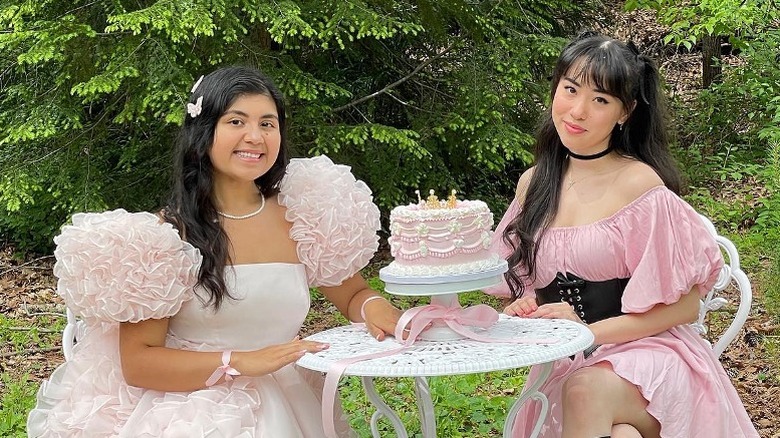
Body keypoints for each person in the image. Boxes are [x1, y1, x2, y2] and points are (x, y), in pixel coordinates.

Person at [27, 66, 401, 437]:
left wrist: (373, 307)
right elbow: (139, 362)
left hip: (287, 398)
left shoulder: (304, 215)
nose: (255, 137)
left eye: (267, 124)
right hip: (194, 409)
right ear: (204, 132)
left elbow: (352, 293)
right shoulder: (163, 238)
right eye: (236, 122)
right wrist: (239, 362)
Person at [484, 31, 758, 438]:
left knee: (584, 391)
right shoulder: (533, 184)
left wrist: (587, 332)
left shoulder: (639, 184)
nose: (577, 111)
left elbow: (685, 309)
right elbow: (526, 279)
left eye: (600, 100)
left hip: (649, 358)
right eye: (570, 89)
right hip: (570, 363)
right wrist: (529, 303)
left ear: (625, 112)